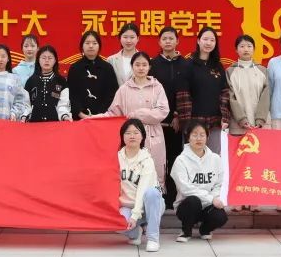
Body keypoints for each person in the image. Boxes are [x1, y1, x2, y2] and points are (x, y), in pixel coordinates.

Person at [86, 52, 169, 181]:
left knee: (155, 174)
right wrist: (94, 118)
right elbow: (113, 113)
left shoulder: (157, 87)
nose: (141, 68)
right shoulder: (124, 89)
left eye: (144, 65)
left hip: (153, 137)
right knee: (131, 175)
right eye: (137, 65)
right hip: (131, 136)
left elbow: (163, 111)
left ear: (149, 67)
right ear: (132, 66)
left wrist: (138, 114)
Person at [151, 26, 190, 205]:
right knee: (158, 160)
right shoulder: (153, 64)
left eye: (171, 38)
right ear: (159, 42)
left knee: (175, 158)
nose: (168, 41)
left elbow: (186, 92)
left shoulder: (185, 64)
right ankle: (159, 196)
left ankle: (173, 196)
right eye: (164, 38)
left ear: (177, 41)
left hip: (177, 122)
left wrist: (178, 115)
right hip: (157, 122)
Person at [176, 27, 231, 153]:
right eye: (205, 39)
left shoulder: (218, 66)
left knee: (214, 157)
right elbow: (183, 96)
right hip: (194, 123)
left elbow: (224, 93)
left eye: (212, 40)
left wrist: (225, 117)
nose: (208, 43)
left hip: (215, 123)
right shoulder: (188, 65)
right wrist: (187, 124)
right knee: (193, 158)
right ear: (198, 41)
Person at [171, 120, 228, 242]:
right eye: (195, 135)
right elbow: (185, 189)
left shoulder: (215, 159)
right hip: (187, 205)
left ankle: (205, 230)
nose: (198, 138)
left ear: (207, 137)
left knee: (221, 216)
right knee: (193, 201)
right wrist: (211, 199)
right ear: (188, 137)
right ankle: (186, 231)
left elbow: (219, 184)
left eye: (202, 135)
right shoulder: (181, 160)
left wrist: (214, 199)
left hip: (208, 205)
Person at [117, 118, 163, 252]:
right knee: (115, 222)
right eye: (128, 133)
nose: (132, 136)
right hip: (128, 206)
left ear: (142, 136)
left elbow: (143, 190)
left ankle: (153, 238)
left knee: (152, 193)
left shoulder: (147, 160)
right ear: (122, 136)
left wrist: (135, 215)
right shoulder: (116, 158)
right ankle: (136, 233)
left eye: (136, 133)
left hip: (149, 205)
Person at [67, 30, 118, 119]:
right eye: (87, 43)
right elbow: (71, 94)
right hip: (79, 118)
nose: (91, 46)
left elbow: (112, 94)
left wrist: (100, 114)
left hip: (103, 117)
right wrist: (80, 113)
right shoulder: (75, 68)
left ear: (99, 46)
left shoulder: (107, 68)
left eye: (94, 43)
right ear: (82, 46)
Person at [227, 34, 269, 135]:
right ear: (236, 50)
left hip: (260, 125)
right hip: (238, 125)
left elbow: (265, 97)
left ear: (254, 49)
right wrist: (242, 119)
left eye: (249, 46)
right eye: (242, 46)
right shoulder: (230, 71)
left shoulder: (262, 70)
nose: (246, 49)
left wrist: (260, 119)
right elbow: (231, 98)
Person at [24, 45, 71, 122]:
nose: (47, 60)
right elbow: (26, 105)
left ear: (55, 60)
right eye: (43, 58)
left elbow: (63, 105)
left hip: (55, 124)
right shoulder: (30, 81)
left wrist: (65, 116)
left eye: (50, 58)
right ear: (38, 60)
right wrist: (25, 116)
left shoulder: (61, 81)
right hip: (34, 124)